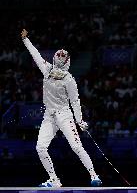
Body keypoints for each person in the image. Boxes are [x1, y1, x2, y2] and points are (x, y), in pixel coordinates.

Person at [21, 29, 101, 187]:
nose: (60, 57)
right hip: (49, 117)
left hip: (64, 116)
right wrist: (25, 40)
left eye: (62, 56)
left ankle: (93, 175)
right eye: (60, 55)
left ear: (66, 61)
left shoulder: (69, 79)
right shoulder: (47, 69)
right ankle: (54, 179)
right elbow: (35, 54)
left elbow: (75, 101)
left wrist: (79, 121)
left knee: (76, 146)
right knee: (40, 148)